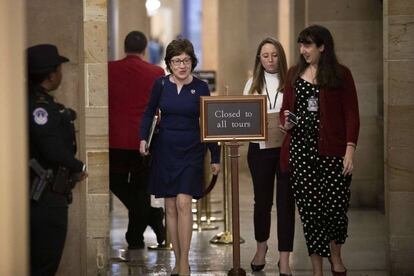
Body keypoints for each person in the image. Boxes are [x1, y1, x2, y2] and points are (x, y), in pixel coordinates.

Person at [280, 25, 360, 276]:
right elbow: (285, 112)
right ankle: (317, 269)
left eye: (308, 45)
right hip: (301, 154)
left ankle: (336, 258)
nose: (303, 50)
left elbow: (352, 114)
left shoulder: (341, 74)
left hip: (334, 153)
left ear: (322, 46)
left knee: (335, 209)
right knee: (311, 213)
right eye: (301, 45)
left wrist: (349, 150)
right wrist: (287, 122)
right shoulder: (294, 74)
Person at [139, 38, 220, 276]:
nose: (182, 65)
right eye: (177, 61)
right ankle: (176, 259)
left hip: (192, 150)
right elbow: (148, 113)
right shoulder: (160, 85)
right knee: (171, 207)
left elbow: (209, 123)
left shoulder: (201, 87)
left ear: (192, 61)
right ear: (169, 64)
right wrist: (143, 138)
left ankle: (185, 262)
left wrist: (215, 156)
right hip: (164, 150)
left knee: (185, 203)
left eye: (186, 60)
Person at [27, 44, 88, 276]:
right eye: (59, 70)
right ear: (51, 75)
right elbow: (51, 148)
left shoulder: (38, 102)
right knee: (45, 261)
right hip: (45, 195)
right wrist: (79, 166)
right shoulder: (39, 108)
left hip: (45, 194)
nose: (61, 74)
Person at [108, 31, 166, 250]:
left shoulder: (108, 69)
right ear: (144, 50)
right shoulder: (156, 72)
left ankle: (135, 238)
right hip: (144, 142)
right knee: (141, 190)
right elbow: (159, 109)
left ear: (124, 47)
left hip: (114, 140)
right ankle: (152, 216)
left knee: (115, 182)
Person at [243, 37, 295, 276]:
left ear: (281, 57)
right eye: (265, 56)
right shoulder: (251, 83)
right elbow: (244, 118)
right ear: (259, 58)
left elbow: (299, 114)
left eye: (274, 55)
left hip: (286, 148)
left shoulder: (292, 81)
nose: (270, 60)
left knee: (285, 202)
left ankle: (284, 258)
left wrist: (291, 124)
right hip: (260, 150)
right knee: (262, 202)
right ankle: (261, 248)